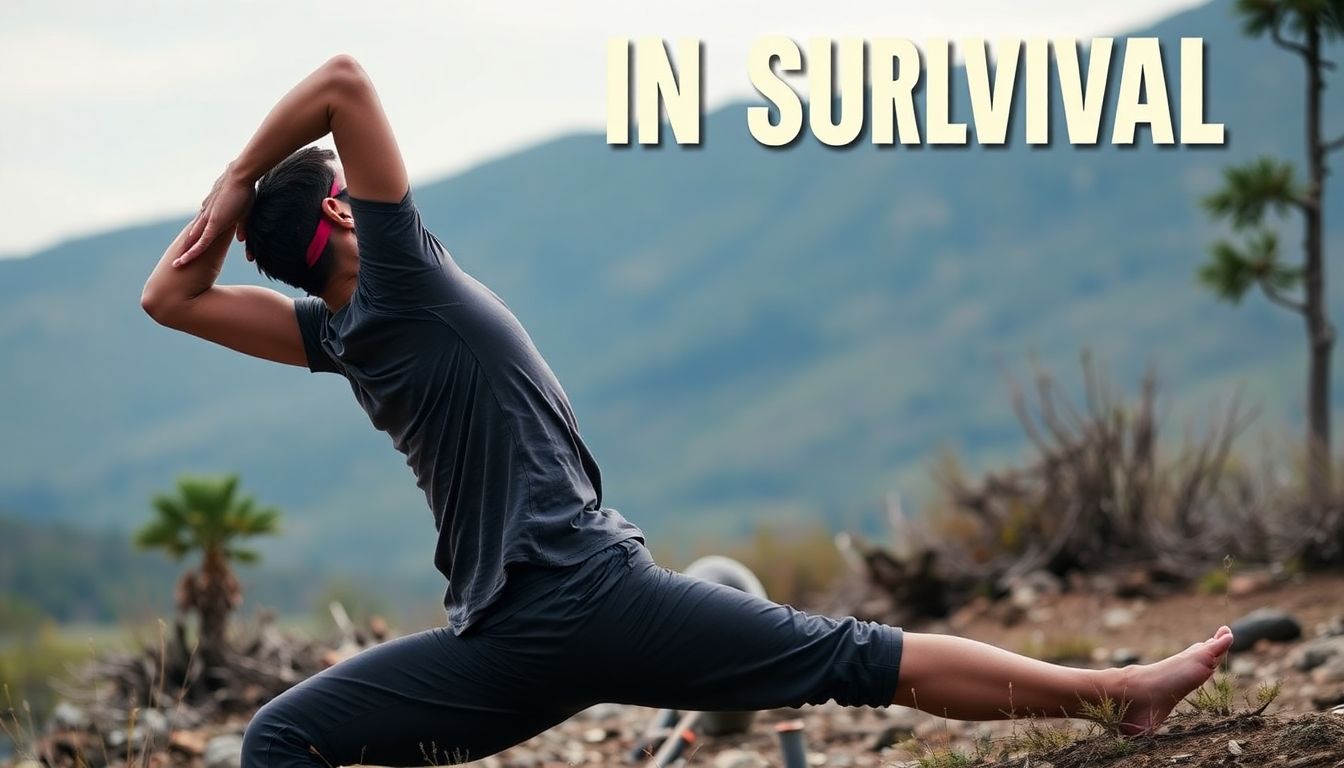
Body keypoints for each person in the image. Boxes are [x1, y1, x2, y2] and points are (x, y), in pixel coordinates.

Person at [141, 55, 1235, 767]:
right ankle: (1118, 692)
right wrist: (243, 174)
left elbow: (168, 296)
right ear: (346, 206)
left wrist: (226, 211)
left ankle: (1117, 691)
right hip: (560, 612)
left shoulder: (338, 337)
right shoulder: (395, 287)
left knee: (283, 739)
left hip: (519, 635)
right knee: (859, 657)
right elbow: (343, 80)